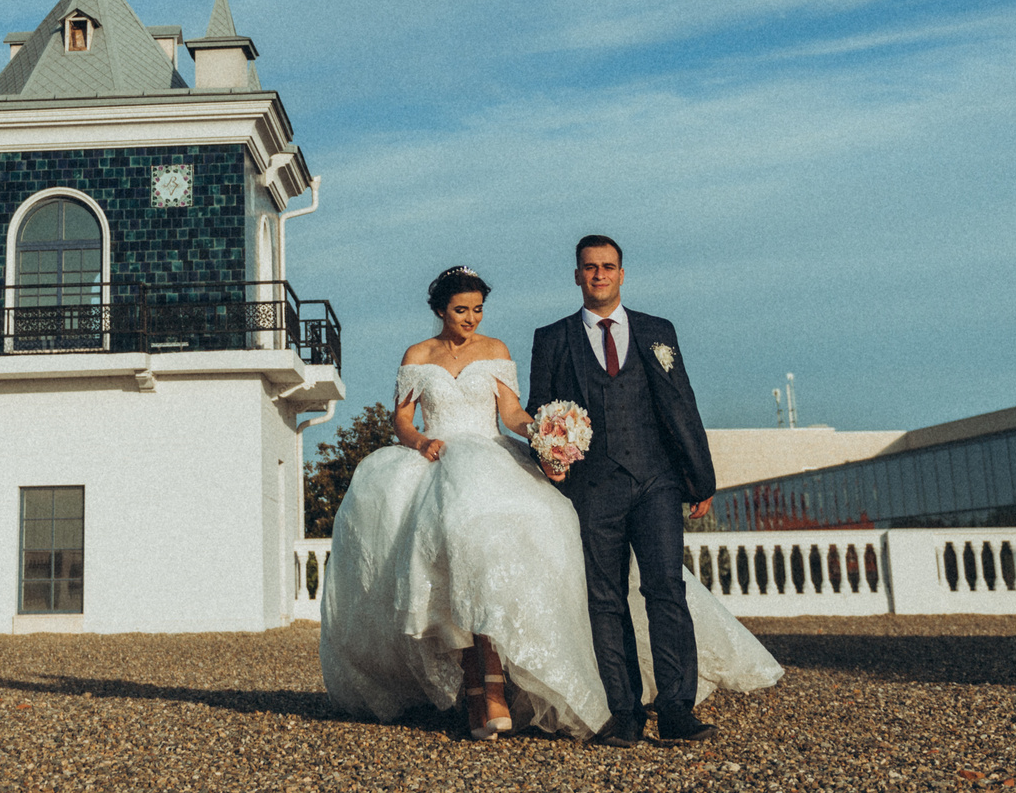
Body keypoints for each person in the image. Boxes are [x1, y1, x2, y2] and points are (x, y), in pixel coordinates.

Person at [320, 266, 613, 739]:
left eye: (478, 309)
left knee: (494, 555)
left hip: (490, 458)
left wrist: (542, 434)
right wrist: (419, 443)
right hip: (435, 460)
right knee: (446, 567)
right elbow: (402, 419)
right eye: (461, 310)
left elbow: (511, 413)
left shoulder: (495, 351)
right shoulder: (418, 355)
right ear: (440, 310)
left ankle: (493, 687)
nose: (471, 318)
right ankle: (477, 691)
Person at [527, 233, 782, 747]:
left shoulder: (656, 331)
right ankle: (624, 713)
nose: (599, 274)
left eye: (608, 266)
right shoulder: (552, 338)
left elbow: (680, 403)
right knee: (605, 598)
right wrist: (551, 459)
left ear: (623, 274)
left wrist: (698, 476)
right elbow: (540, 412)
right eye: (589, 267)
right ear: (576, 275)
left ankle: (675, 710)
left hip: (656, 481)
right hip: (593, 487)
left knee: (666, 588)